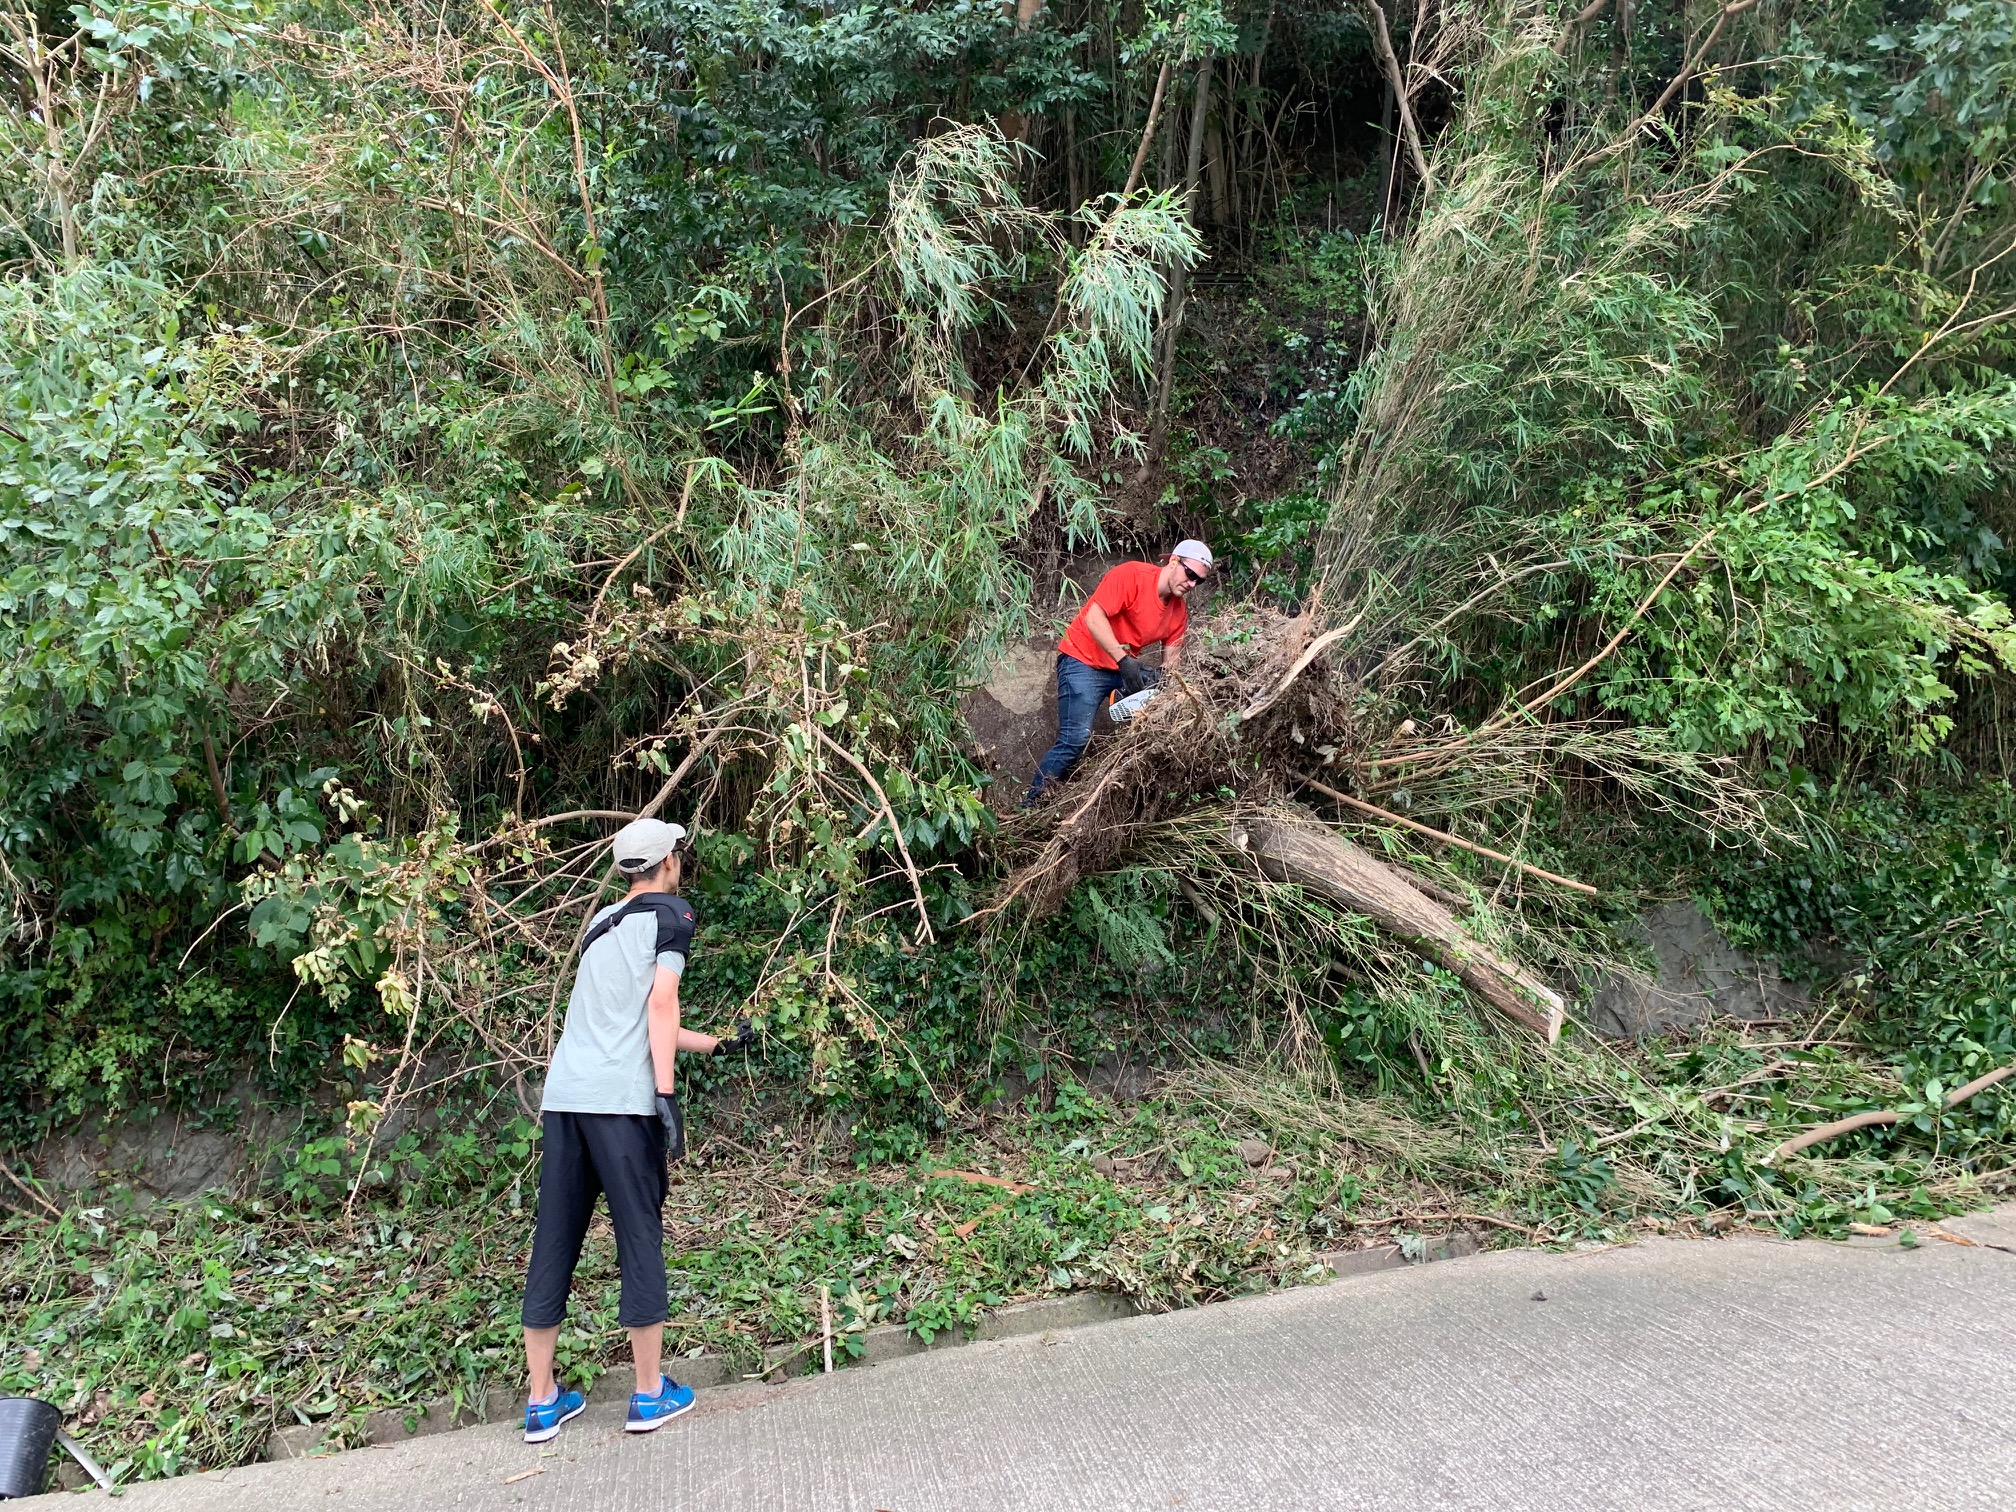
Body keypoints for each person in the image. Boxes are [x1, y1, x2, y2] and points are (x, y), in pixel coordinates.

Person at [518, 816, 754, 1443]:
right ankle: (648, 1395)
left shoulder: (601, 923)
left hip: (567, 1101)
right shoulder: (672, 916)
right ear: (669, 862)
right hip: (623, 1106)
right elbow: (658, 1004)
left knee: (556, 1238)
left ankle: (542, 1402)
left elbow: (633, 1019)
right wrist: (666, 1093)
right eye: (680, 852)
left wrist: (716, 1045)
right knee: (639, 1235)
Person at [1025, 540, 1214, 804]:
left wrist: (1160, 682)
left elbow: (1172, 664)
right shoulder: (1132, 576)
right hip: (1083, 660)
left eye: (1199, 581)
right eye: (1190, 574)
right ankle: (1031, 803)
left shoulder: (1178, 612)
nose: (1192, 584)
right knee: (1075, 739)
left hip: (1121, 668)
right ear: (1173, 561)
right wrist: (1124, 661)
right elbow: (1093, 617)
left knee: (1156, 700)